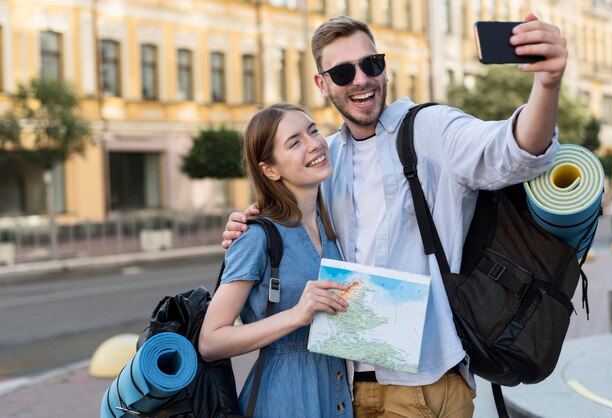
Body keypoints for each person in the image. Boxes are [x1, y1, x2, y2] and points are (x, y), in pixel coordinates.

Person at [222, 13, 567, 418]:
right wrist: (247, 226)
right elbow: (288, 222)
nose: (361, 79)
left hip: (428, 382)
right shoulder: (324, 161)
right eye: (342, 71)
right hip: (354, 388)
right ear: (322, 83)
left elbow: (513, 150)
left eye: (371, 64)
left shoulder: (429, 129)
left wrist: (547, 83)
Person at [198, 103, 354, 418]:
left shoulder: (332, 227)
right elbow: (210, 341)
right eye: (294, 142)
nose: (314, 144)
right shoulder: (256, 237)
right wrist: (298, 315)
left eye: (312, 130)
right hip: (284, 400)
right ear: (270, 169)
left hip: (337, 395)